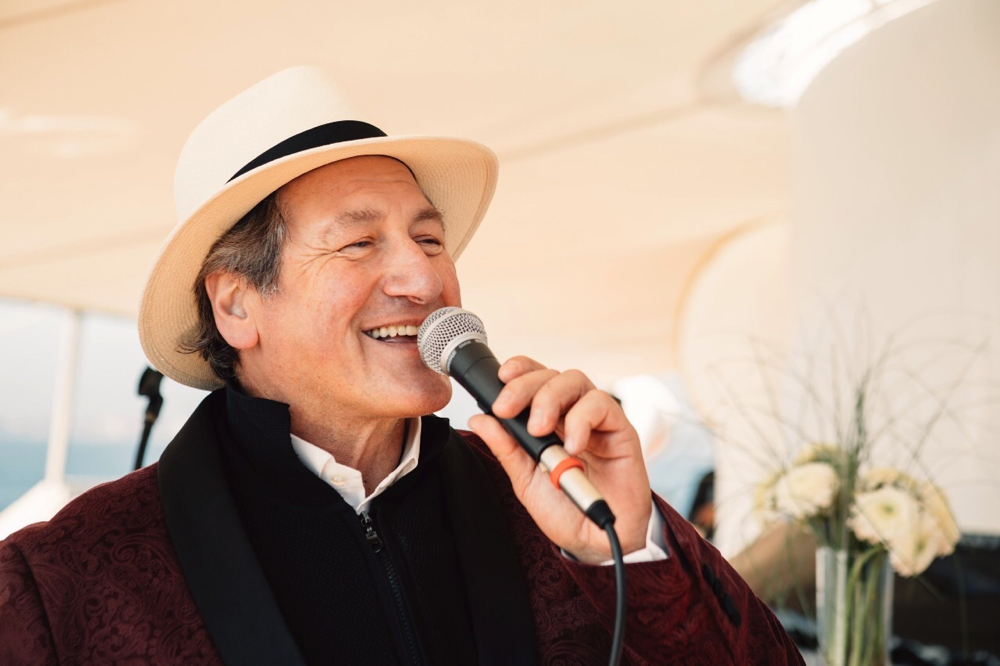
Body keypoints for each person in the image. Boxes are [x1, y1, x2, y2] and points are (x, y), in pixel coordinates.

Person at [0, 67, 802, 665]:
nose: (425, 280)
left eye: (428, 239)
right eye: (359, 243)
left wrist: (624, 551)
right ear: (236, 306)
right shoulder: (58, 579)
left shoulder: (558, 507)